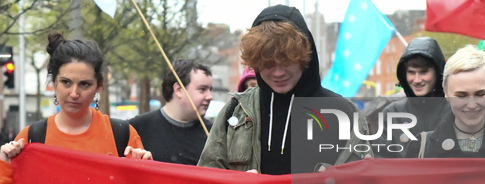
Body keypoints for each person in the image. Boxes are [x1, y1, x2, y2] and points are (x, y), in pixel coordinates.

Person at [0, 32, 152, 184]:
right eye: (66, 82)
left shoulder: (121, 135)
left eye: (85, 84)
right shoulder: (32, 138)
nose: (74, 93)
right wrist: (5, 166)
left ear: (100, 85)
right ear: (53, 82)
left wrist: (146, 174)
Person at [198, 5, 369, 175]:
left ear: (304, 56)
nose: (278, 73)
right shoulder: (235, 111)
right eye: (268, 64)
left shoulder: (344, 113)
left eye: (286, 61)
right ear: (256, 63)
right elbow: (206, 183)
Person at [405, 46, 485, 159]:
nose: (471, 105)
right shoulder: (420, 148)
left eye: (480, 94)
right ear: (446, 92)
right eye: (461, 96)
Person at [376, 37, 450, 158]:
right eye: (411, 72)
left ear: (438, 72)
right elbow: (380, 159)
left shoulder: (455, 111)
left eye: (423, 72)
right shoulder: (392, 113)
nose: (416, 80)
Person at [129, 60, 213, 166]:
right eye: (202, 89)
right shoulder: (135, 128)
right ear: (178, 89)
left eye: (210, 89)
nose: (210, 96)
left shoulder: (215, 134)